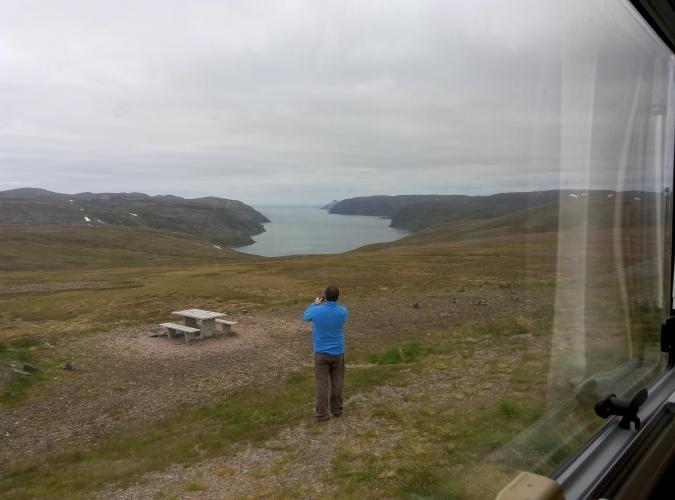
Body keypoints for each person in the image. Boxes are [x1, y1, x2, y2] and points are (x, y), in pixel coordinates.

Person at [302, 285, 349, 422]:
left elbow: (305, 317)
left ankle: (322, 414)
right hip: (338, 352)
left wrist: (315, 304)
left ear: (325, 297)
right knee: (337, 382)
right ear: (337, 297)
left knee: (322, 384)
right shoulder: (343, 311)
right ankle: (337, 409)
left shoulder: (317, 311)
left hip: (321, 352)